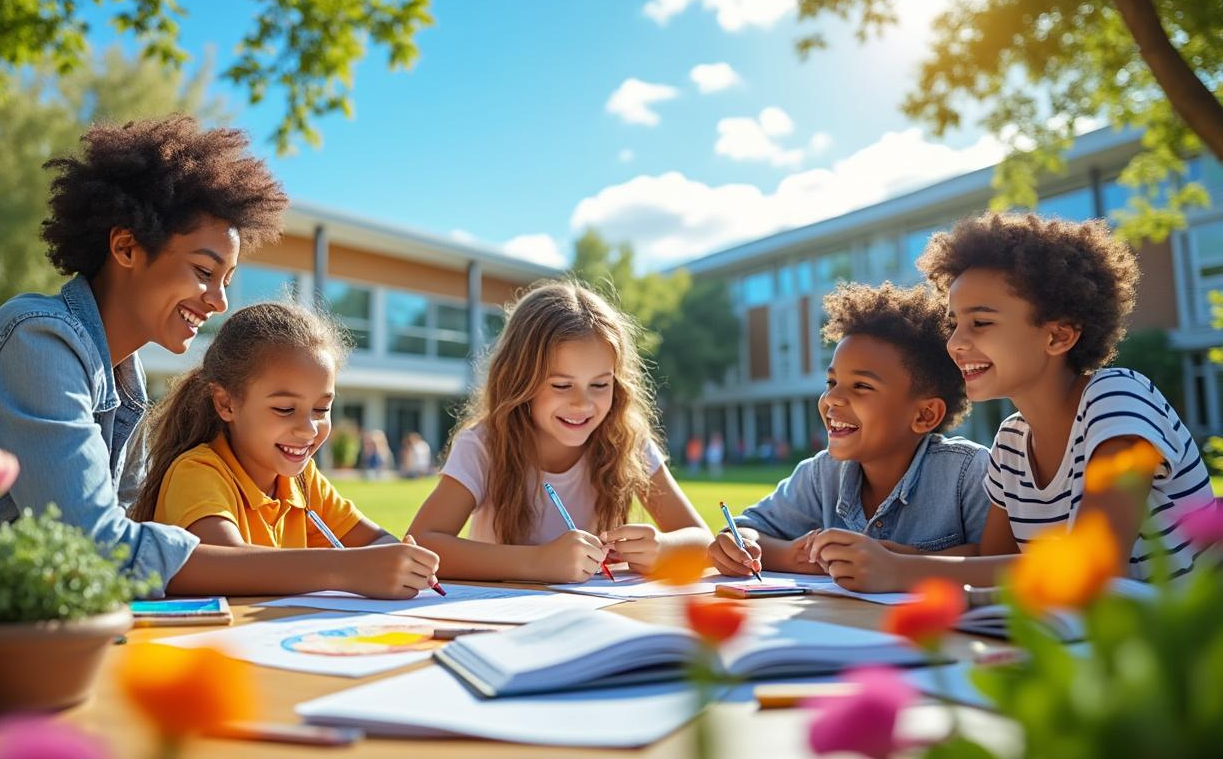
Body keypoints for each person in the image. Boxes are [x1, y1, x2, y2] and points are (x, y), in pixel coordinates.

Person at [0, 116, 405, 597]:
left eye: (226, 281)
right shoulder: (37, 343)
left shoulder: (122, 382)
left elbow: (122, 541)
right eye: (204, 271)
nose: (219, 301)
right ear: (126, 247)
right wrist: (343, 568)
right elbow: (99, 548)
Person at [808, 214, 1213, 591]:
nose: (955, 342)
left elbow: (1094, 562)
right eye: (954, 324)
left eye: (980, 323)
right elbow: (995, 559)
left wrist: (904, 571)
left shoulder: (1116, 399)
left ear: (1058, 336)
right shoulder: (1011, 443)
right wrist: (905, 556)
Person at [407, 281, 710, 583]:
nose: (582, 403)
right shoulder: (484, 445)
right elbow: (420, 543)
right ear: (520, 381)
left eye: (600, 384)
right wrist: (538, 562)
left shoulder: (627, 440)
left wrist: (662, 548)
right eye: (562, 385)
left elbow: (702, 540)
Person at [129, 302, 439, 597]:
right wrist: (343, 569)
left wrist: (400, 563)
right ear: (226, 403)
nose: (308, 429)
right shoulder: (198, 472)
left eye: (321, 408)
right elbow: (220, 567)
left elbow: (377, 541)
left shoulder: (303, 481)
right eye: (285, 409)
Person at [709, 282, 989, 577]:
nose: (831, 398)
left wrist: (904, 561)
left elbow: (997, 558)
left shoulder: (968, 473)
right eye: (831, 383)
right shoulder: (821, 475)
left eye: (861, 386)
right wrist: (787, 556)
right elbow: (746, 530)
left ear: (925, 415)